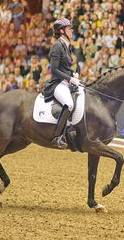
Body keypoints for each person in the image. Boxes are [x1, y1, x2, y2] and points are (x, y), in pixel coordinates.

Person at [43, 18, 81, 149]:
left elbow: (65, 66)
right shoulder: (57, 46)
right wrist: (70, 79)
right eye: (69, 28)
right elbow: (54, 70)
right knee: (69, 104)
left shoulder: (67, 46)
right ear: (61, 31)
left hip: (66, 82)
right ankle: (57, 137)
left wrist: (73, 74)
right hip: (57, 83)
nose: (72, 30)